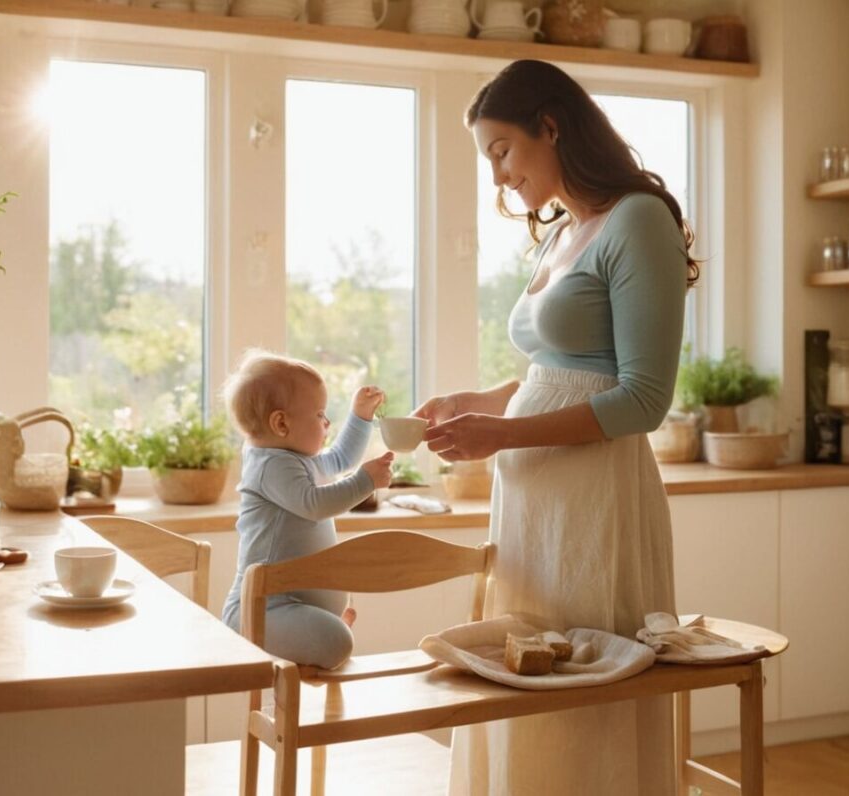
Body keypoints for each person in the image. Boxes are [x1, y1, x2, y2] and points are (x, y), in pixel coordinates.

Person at [415, 60, 697, 795]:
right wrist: (477, 399)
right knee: (529, 671)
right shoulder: (565, 233)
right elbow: (560, 371)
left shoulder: (638, 219)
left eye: (502, 150)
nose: (500, 177)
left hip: (594, 502)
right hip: (534, 509)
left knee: (583, 685)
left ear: (551, 124)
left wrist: (500, 436)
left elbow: (641, 398)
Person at [221, 350, 394, 670]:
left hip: (291, 606)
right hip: (263, 607)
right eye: (319, 414)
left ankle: (322, 625)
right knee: (337, 642)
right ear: (281, 423)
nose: (327, 422)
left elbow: (341, 460)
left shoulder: (298, 460)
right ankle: (325, 630)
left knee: (333, 636)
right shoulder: (270, 465)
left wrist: (360, 417)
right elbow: (314, 505)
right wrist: (366, 482)